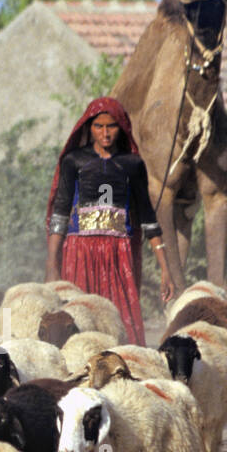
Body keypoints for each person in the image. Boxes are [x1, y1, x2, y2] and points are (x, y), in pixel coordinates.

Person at [45, 96, 174, 344]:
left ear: (122, 128)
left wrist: (165, 270)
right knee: (78, 320)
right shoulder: (74, 161)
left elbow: (147, 218)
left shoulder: (133, 165)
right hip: (79, 253)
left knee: (120, 325)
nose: (105, 133)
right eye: (99, 126)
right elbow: (60, 213)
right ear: (89, 128)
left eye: (111, 126)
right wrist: (52, 265)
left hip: (117, 256)